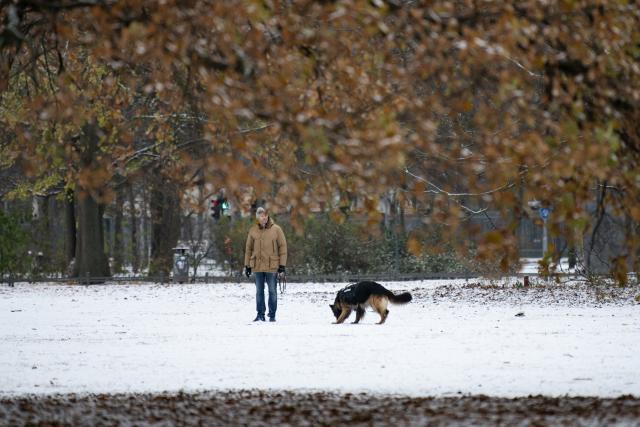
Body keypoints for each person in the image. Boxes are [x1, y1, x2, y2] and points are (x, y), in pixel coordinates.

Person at [244, 206, 287, 322]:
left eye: (265, 215)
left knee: (272, 291)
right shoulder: (253, 230)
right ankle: (260, 314)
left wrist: (282, 265)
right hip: (257, 266)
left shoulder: (276, 229)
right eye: (261, 216)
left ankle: (272, 315)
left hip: (272, 266)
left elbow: (282, 247)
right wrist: (247, 265)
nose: (263, 218)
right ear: (258, 218)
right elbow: (248, 249)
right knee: (259, 291)